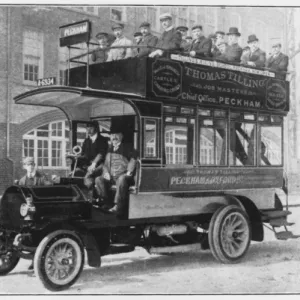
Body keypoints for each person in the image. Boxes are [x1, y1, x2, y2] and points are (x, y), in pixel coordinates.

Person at [95, 125, 138, 216]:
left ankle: (118, 205)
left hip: (125, 177)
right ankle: (106, 203)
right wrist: (106, 173)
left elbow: (133, 159)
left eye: (117, 135)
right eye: (112, 135)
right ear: (110, 137)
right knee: (99, 179)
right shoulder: (109, 148)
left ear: (121, 136)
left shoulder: (128, 147)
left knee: (122, 179)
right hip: (112, 177)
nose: (114, 137)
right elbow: (106, 164)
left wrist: (129, 172)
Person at [78, 122, 108, 190]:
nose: (88, 130)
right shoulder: (86, 140)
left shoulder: (102, 140)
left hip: (99, 166)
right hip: (88, 166)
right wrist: (77, 157)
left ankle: (90, 195)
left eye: (91, 128)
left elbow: (101, 154)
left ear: (96, 128)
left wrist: (93, 164)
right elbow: (84, 154)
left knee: (87, 177)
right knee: (75, 173)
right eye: (87, 128)